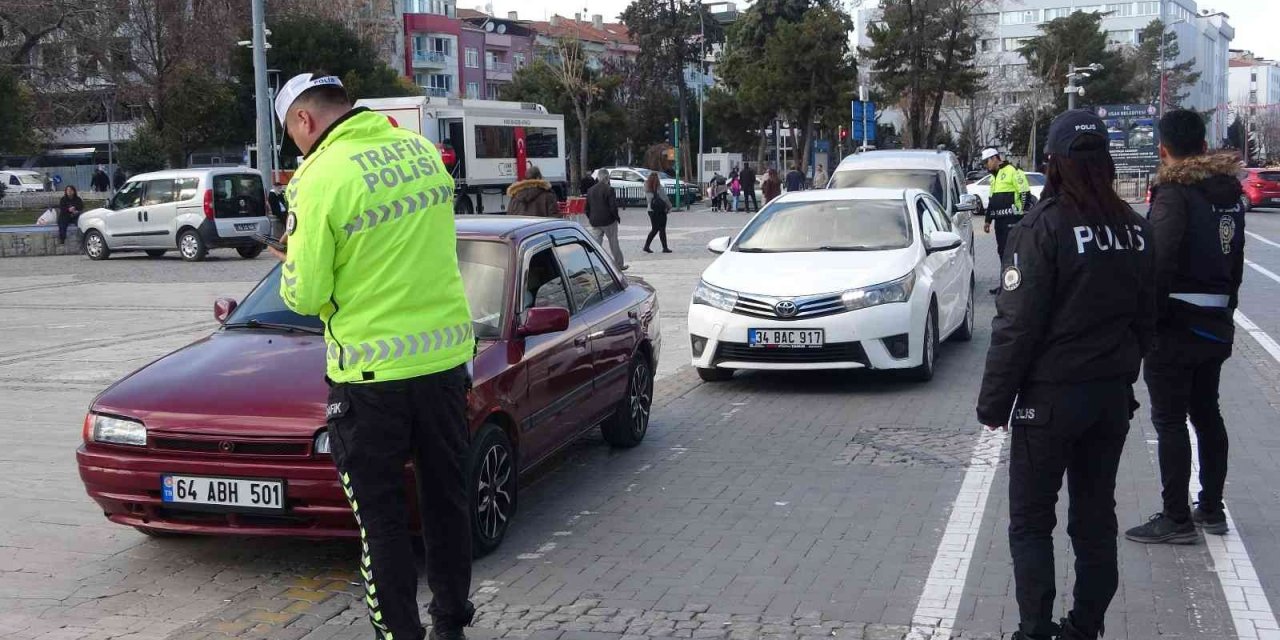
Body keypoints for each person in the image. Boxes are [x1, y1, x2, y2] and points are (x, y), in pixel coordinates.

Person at [269, 72, 476, 640]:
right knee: (446, 502)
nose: (296, 146)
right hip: (442, 365)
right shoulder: (419, 150)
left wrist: (292, 260)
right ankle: (452, 625)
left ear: (305, 121)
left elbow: (307, 295)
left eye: (292, 134)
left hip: (369, 377)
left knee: (381, 526)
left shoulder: (318, 176)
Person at [977, 109, 1155, 640]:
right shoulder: (1136, 230)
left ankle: (1034, 629)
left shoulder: (1044, 226)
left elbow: (1016, 325)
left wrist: (993, 403)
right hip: (1109, 399)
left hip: (1049, 400)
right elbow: (1147, 320)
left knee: (1032, 521)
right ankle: (1086, 627)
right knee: (1095, 517)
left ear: (1053, 164)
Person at [1124, 109, 1246, 545]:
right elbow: (1236, 264)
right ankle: (1211, 508)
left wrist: (1146, 324)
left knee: (1170, 420)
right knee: (1207, 412)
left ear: (1163, 149)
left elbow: (1156, 262)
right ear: (1203, 145)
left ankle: (1175, 517)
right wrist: (1225, 313)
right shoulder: (1229, 192)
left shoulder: (1174, 193)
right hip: (1214, 323)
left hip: (1174, 325)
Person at [981, 147, 1034, 293]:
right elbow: (992, 201)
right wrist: (987, 220)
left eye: (987, 162)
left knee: (1012, 252)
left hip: (1012, 220)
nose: (986, 165)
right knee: (1002, 252)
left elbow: (1024, 192)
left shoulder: (1013, 171)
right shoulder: (994, 177)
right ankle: (1005, 284)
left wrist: (1021, 213)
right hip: (1000, 222)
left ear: (994, 158)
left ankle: (1015, 286)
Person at [585, 169, 627, 270]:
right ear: (607, 178)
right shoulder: (609, 189)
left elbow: (586, 208)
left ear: (598, 177)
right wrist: (616, 217)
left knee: (596, 244)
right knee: (613, 243)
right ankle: (619, 264)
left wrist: (591, 218)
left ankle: (592, 265)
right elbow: (613, 207)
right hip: (608, 221)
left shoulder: (590, 190)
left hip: (595, 221)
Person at [643, 170, 672, 253]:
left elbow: (649, 200)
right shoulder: (659, 188)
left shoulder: (646, 187)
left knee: (655, 229)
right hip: (660, 210)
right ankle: (664, 247)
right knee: (662, 229)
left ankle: (646, 246)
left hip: (651, 210)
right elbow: (665, 198)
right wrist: (669, 206)